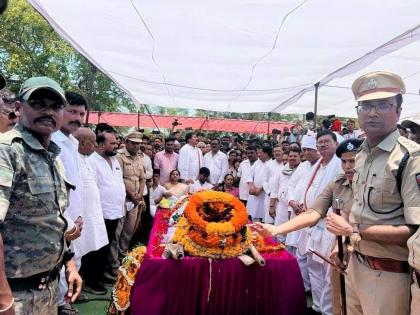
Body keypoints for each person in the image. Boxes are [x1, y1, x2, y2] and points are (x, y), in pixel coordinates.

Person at [327, 71, 420, 315]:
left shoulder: (410, 158)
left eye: (383, 105)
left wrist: (353, 230)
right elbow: (356, 207)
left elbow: (414, 230)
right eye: (366, 106)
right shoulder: (362, 155)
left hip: (388, 274)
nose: (373, 112)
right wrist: (343, 242)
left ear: (398, 111)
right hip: (354, 264)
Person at [0, 77, 82, 314]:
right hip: (16, 296)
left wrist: (69, 264)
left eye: (56, 106)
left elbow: (53, 220)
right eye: (38, 103)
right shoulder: (7, 151)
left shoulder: (52, 157)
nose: (48, 112)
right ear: (18, 108)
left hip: (48, 289)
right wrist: (4, 299)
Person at [258, 139, 362, 315]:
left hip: (365, 253)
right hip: (340, 251)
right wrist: (277, 230)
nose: (347, 166)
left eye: (352, 161)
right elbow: (314, 212)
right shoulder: (338, 183)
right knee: (334, 295)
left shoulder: (370, 185)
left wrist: (349, 234)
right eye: (344, 161)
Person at [52, 91, 87, 314]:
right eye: (72, 111)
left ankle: (65, 302)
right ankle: (60, 306)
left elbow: (75, 186)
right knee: (58, 271)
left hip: (75, 219)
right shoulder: (52, 140)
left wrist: (79, 216)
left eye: (81, 113)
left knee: (74, 264)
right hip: (61, 223)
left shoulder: (72, 142)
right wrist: (66, 223)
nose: (77, 117)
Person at [73, 128, 108, 296]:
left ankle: (79, 288)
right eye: (93, 143)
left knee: (89, 250)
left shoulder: (86, 158)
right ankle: (73, 293)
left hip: (93, 215)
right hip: (79, 217)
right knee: (76, 255)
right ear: (82, 143)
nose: (95, 146)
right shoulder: (73, 159)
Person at [88, 132, 126, 282]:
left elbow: (118, 183)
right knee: (97, 248)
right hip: (100, 212)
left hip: (115, 211)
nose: (116, 145)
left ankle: (102, 274)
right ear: (101, 145)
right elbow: (92, 188)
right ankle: (93, 280)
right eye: (112, 143)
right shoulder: (92, 161)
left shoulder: (114, 160)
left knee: (108, 245)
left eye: (116, 143)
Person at [285, 135, 320, 297]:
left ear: (316, 150)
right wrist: (292, 202)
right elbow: (291, 185)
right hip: (297, 213)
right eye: (304, 150)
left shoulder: (322, 166)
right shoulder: (303, 166)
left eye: (308, 150)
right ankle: (303, 286)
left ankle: (310, 289)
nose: (305, 153)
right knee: (298, 252)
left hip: (312, 217)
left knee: (310, 255)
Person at [116, 132, 146, 264]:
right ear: (126, 142)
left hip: (135, 201)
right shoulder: (119, 156)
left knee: (129, 230)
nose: (136, 146)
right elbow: (119, 178)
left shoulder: (140, 158)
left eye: (138, 143)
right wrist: (131, 195)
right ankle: (114, 259)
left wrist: (139, 195)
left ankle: (122, 256)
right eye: (133, 143)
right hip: (122, 200)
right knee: (118, 231)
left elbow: (142, 178)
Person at [268, 148, 302, 242]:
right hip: (282, 207)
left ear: (300, 157)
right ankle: (282, 255)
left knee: (294, 236)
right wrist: (271, 206)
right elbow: (274, 190)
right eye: (290, 156)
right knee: (279, 232)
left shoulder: (303, 170)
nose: (292, 158)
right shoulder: (281, 171)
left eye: (295, 156)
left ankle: (291, 256)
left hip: (297, 208)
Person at [246, 146, 272, 222]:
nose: (259, 155)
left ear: (266, 153)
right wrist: (251, 186)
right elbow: (249, 176)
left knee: (265, 218)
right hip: (254, 194)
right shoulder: (257, 162)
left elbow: (269, 181)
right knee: (254, 217)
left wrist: (260, 190)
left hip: (264, 194)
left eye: (260, 153)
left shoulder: (272, 164)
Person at [265, 145, 285, 224]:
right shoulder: (269, 164)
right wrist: (269, 192)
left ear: (283, 152)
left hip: (281, 199)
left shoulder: (286, 164)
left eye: (279, 151)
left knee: (280, 222)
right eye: (275, 151)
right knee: (269, 222)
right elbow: (264, 181)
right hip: (269, 197)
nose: (277, 153)